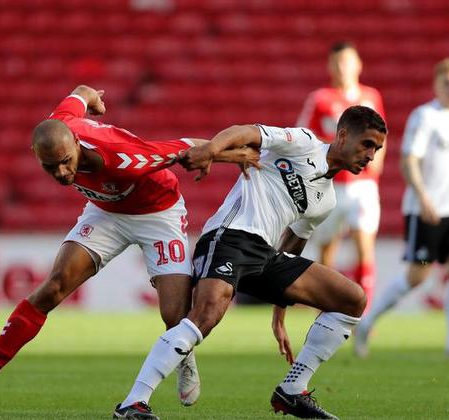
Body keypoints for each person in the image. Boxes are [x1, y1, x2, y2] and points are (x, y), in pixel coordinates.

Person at [0, 85, 259, 411]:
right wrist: (93, 99)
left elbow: (186, 146)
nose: (62, 173)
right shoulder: (60, 123)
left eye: (67, 163)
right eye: (50, 167)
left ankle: (185, 355)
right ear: (35, 154)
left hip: (158, 213)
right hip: (105, 213)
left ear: (77, 145)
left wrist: (231, 155)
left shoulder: (123, 159)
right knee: (53, 287)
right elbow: (81, 92)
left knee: (174, 315)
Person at [113, 106, 387, 420]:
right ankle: (132, 403)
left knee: (351, 299)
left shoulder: (326, 200)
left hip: (266, 256)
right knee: (206, 316)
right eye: (367, 144)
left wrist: (279, 309)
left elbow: (294, 245)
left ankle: (292, 390)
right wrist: (210, 151)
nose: (371, 155)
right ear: (342, 135)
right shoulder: (304, 142)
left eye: (376, 149)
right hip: (230, 236)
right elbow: (245, 131)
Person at [354, 58, 449, 360]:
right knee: (418, 276)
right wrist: (424, 198)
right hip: (424, 208)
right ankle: (367, 322)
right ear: (436, 85)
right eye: (447, 83)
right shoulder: (425, 117)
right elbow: (408, 160)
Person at [297, 41, 386, 312]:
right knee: (327, 251)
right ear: (329, 67)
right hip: (331, 186)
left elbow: (383, 135)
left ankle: (363, 314)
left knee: (364, 247)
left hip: (363, 186)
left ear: (358, 64)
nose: (342, 67)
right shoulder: (320, 99)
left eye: (347, 61)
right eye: (337, 62)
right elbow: (305, 138)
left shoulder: (371, 98)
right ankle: (325, 309)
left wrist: (374, 164)